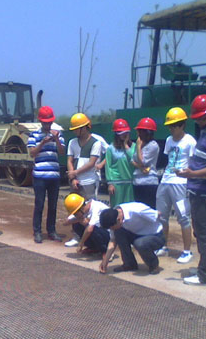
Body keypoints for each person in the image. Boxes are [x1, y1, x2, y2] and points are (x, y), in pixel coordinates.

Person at [175, 95, 206, 286]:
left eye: (201, 118)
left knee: (205, 234)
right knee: (201, 233)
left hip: (205, 193)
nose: (198, 121)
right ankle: (204, 269)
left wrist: (192, 174)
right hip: (199, 192)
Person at [155, 107, 196, 263]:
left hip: (181, 183)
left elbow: (193, 163)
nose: (171, 129)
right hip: (166, 180)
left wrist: (188, 176)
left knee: (183, 217)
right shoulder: (168, 140)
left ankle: (187, 251)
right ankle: (163, 246)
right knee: (161, 216)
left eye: (174, 126)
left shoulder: (190, 141)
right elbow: (168, 159)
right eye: (170, 126)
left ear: (182, 125)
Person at [27, 106, 66, 243]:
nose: (47, 125)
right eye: (45, 122)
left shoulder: (58, 135)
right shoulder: (34, 135)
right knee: (39, 204)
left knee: (53, 205)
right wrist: (42, 143)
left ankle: (51, 231)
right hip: (39, 176)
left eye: (49, 122)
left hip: (54, 175)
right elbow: (32, 153)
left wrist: (56, 139)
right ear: (41, 122)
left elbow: (62, 152)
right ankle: (37, 231)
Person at [65, 113, 102, 247]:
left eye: (77, 129)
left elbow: (92, 163)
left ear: (85, 127)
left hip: (89, 182)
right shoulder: (72, 142)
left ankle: (91, 239)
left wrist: (75, 172)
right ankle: (76, 236)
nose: (75, 131)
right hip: (75, 181)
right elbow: (69, 160)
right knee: (74, 210)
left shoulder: (96, 143)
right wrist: (73, 178)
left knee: (89, 212)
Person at [99, 202, 165, 274]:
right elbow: (113, 241)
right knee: (118, 232)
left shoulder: (137, 210)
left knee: (140, 243)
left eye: (112, 228)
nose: (111, 230)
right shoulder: (113, 216)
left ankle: (153, 265)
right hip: (136, 234)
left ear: (118, 219)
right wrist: (105, 261)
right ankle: (129, 264)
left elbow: (158, 214)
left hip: (156, 235)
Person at [105, 119, 135, 207]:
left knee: (129, 208)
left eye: (126, 133)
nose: (124, 135)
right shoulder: (111, 148)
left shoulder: (133, 146)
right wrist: (110, 183)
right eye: (122, 133)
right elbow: (108, 166)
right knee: (116, 208)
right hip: (116, 183)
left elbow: (133, 158)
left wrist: (126, 145)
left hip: (130, 182)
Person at [131, 117, 159, 209]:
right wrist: (140, 167)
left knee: (149, 209)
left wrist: (138, 147)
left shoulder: (153, 145)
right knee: (139, 210)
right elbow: (132, 160)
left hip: (149, 182)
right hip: (137, 182)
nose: (138, 134)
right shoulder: (139, 144)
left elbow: (142, 161)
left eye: (140, 131)